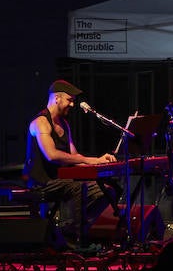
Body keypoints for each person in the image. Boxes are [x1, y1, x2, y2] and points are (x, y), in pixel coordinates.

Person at [24, 79, 119, 246]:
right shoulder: (40, 123)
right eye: (70, 100)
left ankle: (69, 230)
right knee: (79, 187)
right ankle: (75, 240)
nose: (73, 105)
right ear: (57, 98)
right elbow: (51, 155)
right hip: (42, 182)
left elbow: (74, 158)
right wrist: (91, 160)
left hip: (61, 180)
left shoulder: (64, 125)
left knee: (110, 190)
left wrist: (100, 164)